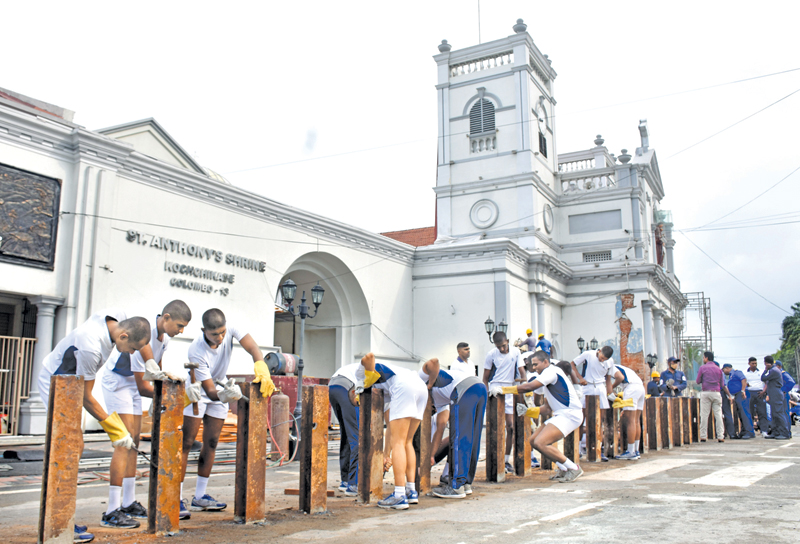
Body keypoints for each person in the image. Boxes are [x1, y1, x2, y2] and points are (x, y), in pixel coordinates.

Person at [37, 309, 152, 541]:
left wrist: (151, 362)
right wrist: (114, 428)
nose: (133, 353)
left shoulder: (112, 322)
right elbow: (86, 397)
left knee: (72, 448)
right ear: (123, 337)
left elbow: (130, 322)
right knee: (69, 448)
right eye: (134, 349)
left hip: (70, 386)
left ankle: (61, 518)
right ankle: (59, 523)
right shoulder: (91, 346)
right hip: (56, 385)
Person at [100, 300, 191, 527]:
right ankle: (112, 509)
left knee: (136, 440)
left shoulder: (165, 339)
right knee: (124, 442)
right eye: (179, 325)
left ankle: (129, 501)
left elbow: (155, 373)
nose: (181, 331)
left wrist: (164, 386)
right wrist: (172, 397)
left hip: (133, 386)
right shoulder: (145, 331)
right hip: (119, 383)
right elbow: (144, 385)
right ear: (166, 317)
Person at [179, 308, 276, 518]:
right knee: (186, 442)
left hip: (220, 388)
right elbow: (210, 392)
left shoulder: (230, 328)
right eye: (215, 334)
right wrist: (225, 396)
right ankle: (175, 498)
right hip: (199, 391)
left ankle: (200, 496)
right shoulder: (196, 350)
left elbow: (253, 348)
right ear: (204, 330)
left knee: (212, 442)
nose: (221, 337)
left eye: (223, 332)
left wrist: (261, 368)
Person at [491, 350, 584, 482]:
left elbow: (530, 387)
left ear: (545, 362)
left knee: (541, 442)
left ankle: (574, 468)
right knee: (534, 441)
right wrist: (528, 411)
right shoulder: (545, 377)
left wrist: (504, 390)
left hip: (570, 415)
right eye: (532, 365)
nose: (534, 368)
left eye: (536, 365)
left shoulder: (551, 371)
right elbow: (547, 408)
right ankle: (564, 469)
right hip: (562, 414)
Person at [358, 353, 430, 510]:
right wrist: (386, 453)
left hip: (404, 386)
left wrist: (365, 370)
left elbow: (368, 357)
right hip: (420, 387)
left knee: (398, 443)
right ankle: (411, 491)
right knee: (407, 441)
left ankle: (399, 495)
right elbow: (390, 423)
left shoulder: (357, 374)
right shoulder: (385, 383)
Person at [420, 359, 487, 499]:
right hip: (479, 387)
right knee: (472, 437)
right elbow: (440, 428)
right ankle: (466, 482)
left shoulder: (421, 381)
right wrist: (431, 456)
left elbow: (434, 362)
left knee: (459, 437)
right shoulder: (440, 400)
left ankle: (456, 486)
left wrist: (430, 385)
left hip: (463, 389)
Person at [482, 331, 525, 473]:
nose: (502, 349)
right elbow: (485, 377)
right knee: (496, 426)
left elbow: (521, 371)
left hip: (510, 388)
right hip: (496, 388)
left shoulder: (516, 352)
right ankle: (496, 459)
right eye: (499, 346)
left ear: (508, 341)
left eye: (504, 345)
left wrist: (524, 384)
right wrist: (487, 394)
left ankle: (506, 459)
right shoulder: (491, 354)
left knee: (511, 427)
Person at [570, 346, 614, 460]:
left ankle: (599, 448)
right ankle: (578, 448)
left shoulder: (610, 362)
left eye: (604, 359)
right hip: (587, 386)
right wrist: (580, 378)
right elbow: (572, 364)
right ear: (599, 351)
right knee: (581, 417)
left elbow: (608, 378)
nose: (602, 360)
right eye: (601, 357)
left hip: (600, 387)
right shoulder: (588, 354)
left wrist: (610, 393)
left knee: (600, 419)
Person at [328, 362, 362, 497]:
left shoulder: (361, 367)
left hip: (333, 386)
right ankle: (353, 484)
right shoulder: (379, 374)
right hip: (347, 388)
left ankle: (345, 481)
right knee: (356, 437)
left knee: (347, 434)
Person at [609, 364, 645, 460]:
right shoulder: (619, 366)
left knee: (630, 420)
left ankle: (630, 451)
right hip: (640, 388)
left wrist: (611, 388)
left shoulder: (609, 367)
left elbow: (620, 378)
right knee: (636, 420)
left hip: (631, 388)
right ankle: (635, 450)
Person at [696, 351, 724, 442]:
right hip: (716, 392)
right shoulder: (718, 369)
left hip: (706, 392)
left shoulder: (702, 368)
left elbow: (697, 381)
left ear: (706, 358)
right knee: (718, 415)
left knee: (704, 415)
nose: (703, 359)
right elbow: (722, 384)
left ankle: (703, 436)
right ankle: (720, 436)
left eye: (704, 357)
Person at [722, 363, 755, 439]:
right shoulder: (730, 375)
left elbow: (743, 379)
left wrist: (743, 390)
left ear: (727, 368)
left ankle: (749, 431)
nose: (723, 372)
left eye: (724, 370)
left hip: (742, 394)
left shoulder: (736, 372)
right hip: (737, 395)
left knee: (744, 413)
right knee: (740, 413)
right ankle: (744, 431)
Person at [761, 356, 790, 440]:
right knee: (774, 414)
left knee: (778, 413)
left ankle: (784, 433)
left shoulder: (773, 370)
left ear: (766, 363)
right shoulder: (773, 370)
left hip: (776, 393)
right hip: (773, 393)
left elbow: (763, 378)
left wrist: (765, 370)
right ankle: (775, 432)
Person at [744, 357, 768, 435]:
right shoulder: (745, 373)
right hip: (749, 392)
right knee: (750, 412)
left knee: (762, 412)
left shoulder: (761, 372)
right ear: (749, 364)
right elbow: (743, 383)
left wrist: (764, 391)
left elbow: (766, 382)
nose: (754, 365)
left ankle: (764, 430)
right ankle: (751, 431)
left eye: (755, 363)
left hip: (760, 393)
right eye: (752, 363)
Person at [775, 361, 796, 437]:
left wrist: (783, 390)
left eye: (775, 367)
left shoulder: (783, 373)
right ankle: (781, 431)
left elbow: (791, 382)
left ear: (779, 367)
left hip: (783, 395)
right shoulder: (777, 374)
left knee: (784, 413)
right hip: (778, 396)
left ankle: (786, 432)